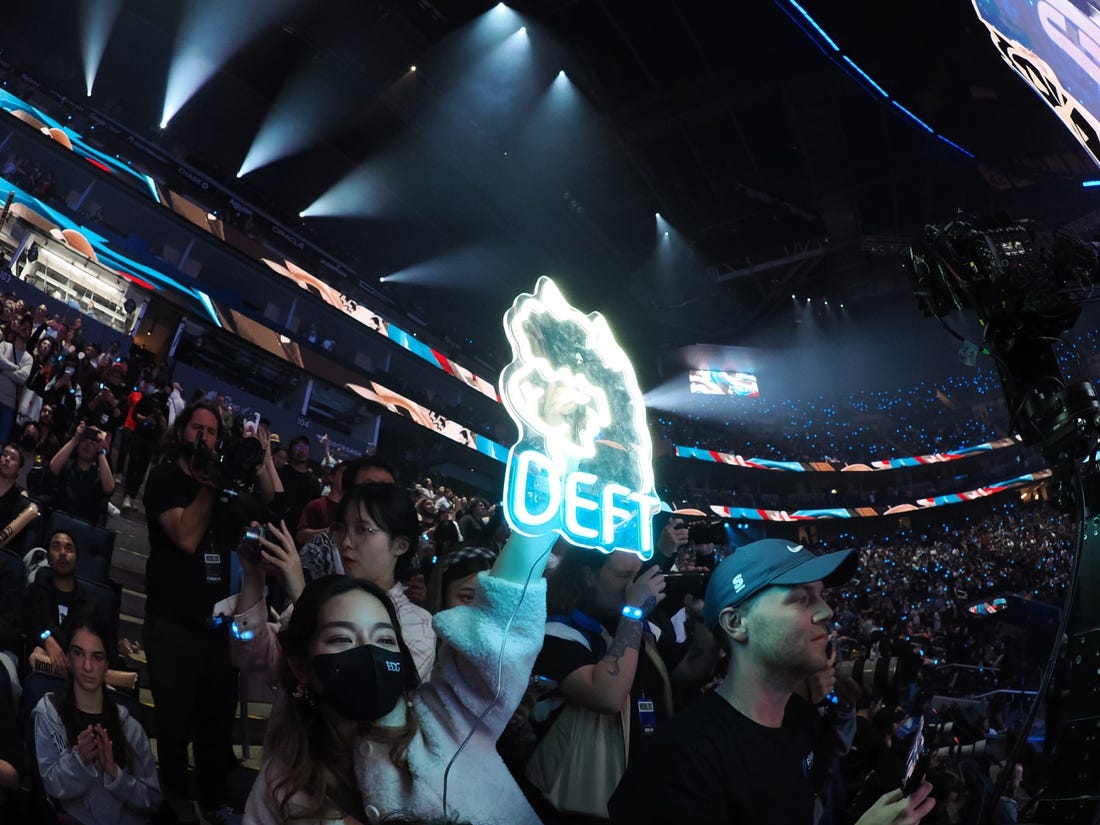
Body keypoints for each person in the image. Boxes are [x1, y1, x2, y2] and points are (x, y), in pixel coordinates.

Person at [240, 515, 555, 823]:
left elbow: (496, 628)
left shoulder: (446, 725)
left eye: (384, 638)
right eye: (341, 638)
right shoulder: (279, 785)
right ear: (301, 668)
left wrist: (536, 519)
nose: (368, 652)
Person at [607, 538, 937, 825]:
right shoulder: (679, 761)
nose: (827, 611)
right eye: (801, 598)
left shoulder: (804, 721)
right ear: (736, 623)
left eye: (821, 596)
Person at [142, 401, 274, 824]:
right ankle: (175, 801)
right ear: (182, 432)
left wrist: (259, 457)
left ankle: (215, 797)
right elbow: (184, 535)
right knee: (175, 726)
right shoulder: (164, 477)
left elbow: (267, 500)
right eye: (197, 428)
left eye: (213, 431)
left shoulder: (223, 488)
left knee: (216, 725)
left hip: (217, 631)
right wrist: (211, 484)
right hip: (171, 626)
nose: (204, 437)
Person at [230, 480, 436, 683]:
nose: (345, 542)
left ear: (400, 545)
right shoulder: (325, 595)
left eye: (363, 529)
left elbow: (362, 698)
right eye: (341, 529)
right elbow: (253, 658)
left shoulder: (416, 623)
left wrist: (302, 597)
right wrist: (254, 576)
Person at [33, 605, 162, 825]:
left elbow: (152, 799)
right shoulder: (48, 712)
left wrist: (116, 776)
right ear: (68, 657)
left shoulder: (128, 726)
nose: (87, 666)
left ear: (107, 664)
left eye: (97, 657)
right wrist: (79, 760)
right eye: (78, 653)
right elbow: (52, 786)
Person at [24, 530, 93, 673]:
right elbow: (28, 625)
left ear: (76, 558)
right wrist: (46, 639)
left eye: (69, 548)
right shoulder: (35, 591)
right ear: (48, 558)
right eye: (56, 547)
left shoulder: (87, 602)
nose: (62, 553)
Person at [46, 421, 115, 525]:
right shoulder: (67, 465)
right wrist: (75, 439)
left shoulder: (99, 475)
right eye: (85, 440)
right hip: (60, 521)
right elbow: (53, 469)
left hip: (85, 527)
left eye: (92, 443)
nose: (88, 445)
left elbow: (109, 489)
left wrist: (101, 451)